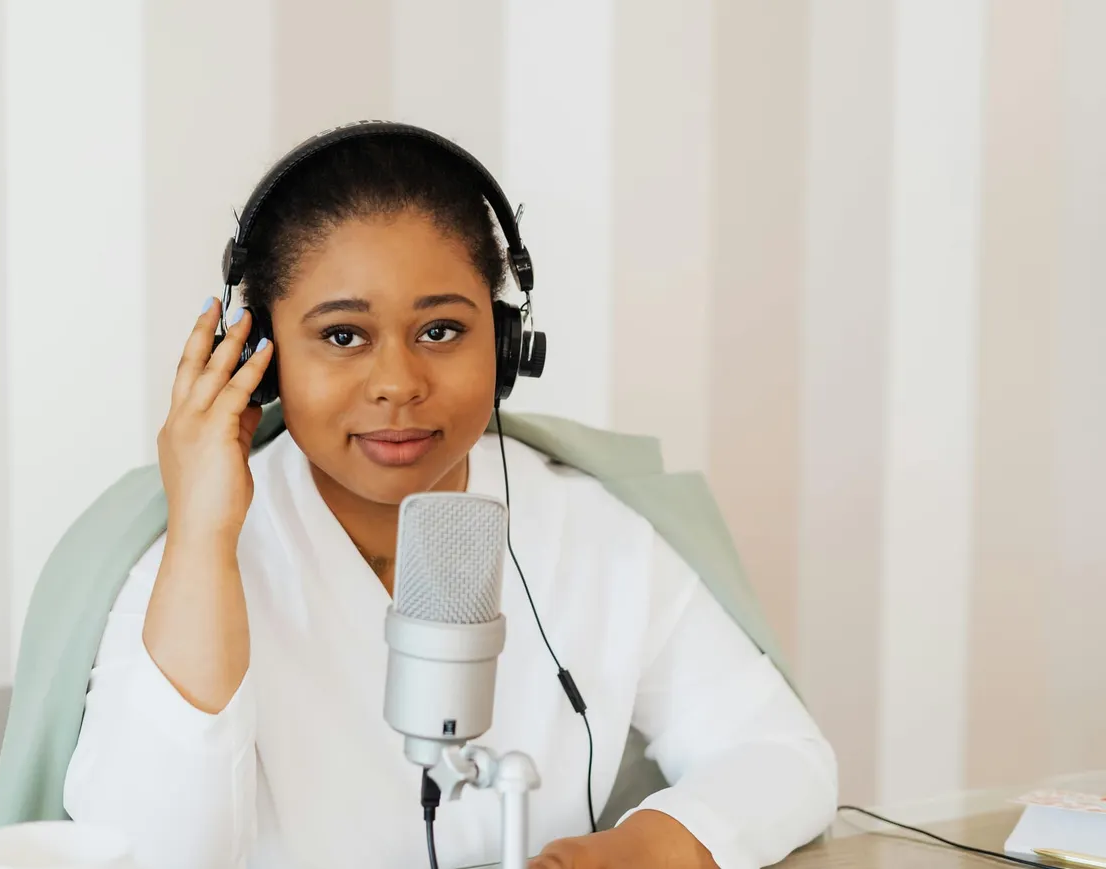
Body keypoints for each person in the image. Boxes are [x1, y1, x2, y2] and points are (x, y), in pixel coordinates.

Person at [61, 127, 838, 869]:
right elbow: (149, 853)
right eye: (342, 336)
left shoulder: (598, 530)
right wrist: (202, 535)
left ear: (505, 346)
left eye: (439, 330)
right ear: (262, 364)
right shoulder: (186, 557)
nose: (399, 382)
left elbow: (780, 755)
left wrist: (639, 849)